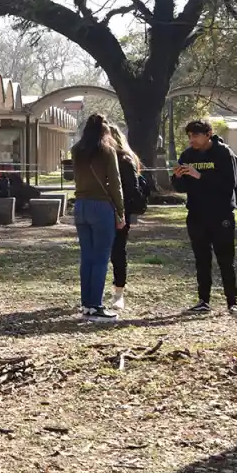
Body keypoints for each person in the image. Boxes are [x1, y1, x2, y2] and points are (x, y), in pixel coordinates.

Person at [173, 120, 237, 317]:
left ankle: (232, 303)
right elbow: (180, 188)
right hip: (196, 214)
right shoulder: (187, 155)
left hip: (221, 214)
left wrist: (200, 176)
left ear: (208, 134)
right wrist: (178, 177)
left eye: (196, 135)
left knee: (225, 259)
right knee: (201, 259)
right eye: (189, 136)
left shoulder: (223, 153)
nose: (192, 140)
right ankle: (203, 300)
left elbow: (228, 183)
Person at [70, 114, 126, 322]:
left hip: (81, 205)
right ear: (105, 131)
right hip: (101, 206)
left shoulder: (77, 151)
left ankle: (87, 304)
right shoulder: (108, 151)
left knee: (87, 257)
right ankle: (96, 306)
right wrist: (120, 212)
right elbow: (115, 183)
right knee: (101, 258)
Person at [107, 125, 142, 310]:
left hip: (120, 210)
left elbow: (131, 189)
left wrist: (121, 211)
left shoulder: (124, 159)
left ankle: (118, 292)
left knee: (118, 251)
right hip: (103, 208)